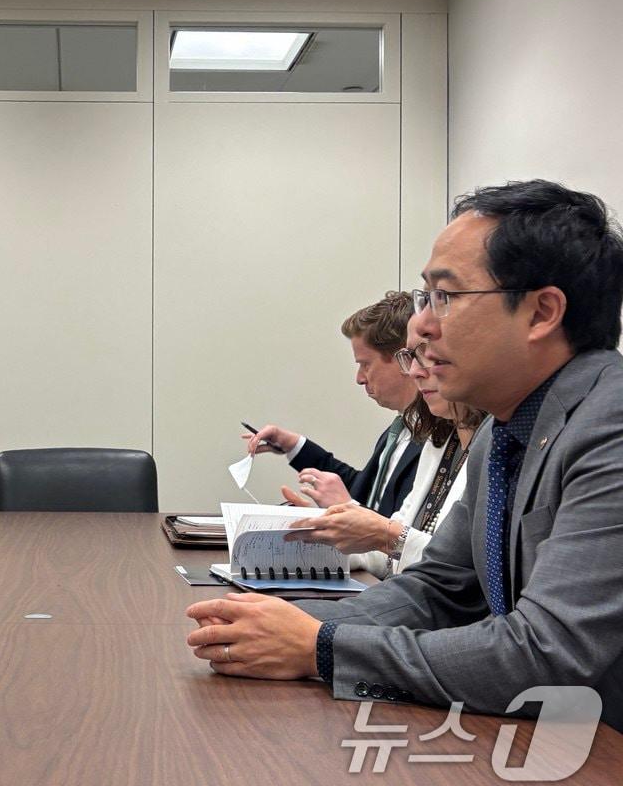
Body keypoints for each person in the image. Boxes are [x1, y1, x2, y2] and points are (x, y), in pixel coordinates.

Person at [187, 179, 623, 731]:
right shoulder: (504, 427)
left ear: (541, 313)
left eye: (447, 296)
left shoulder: (609, 426)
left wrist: (322, 647)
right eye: (426, 297)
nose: (421, 325)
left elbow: (547, 655)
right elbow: (441, 588)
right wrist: (277, 625)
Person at [281, 319, 486, 578]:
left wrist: (382, 533)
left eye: (427, 356)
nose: (414, 371)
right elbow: (389, 555)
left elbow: (460, 570)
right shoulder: (440, 441)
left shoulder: (494, 449)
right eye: (410, 357)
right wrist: (329, 531)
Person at [245, 292, 422, 516]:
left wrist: (345, 509)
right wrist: (294, 445)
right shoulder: (399, 430)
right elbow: (368, 492)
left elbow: (404, 531)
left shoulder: (436, 440)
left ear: (402, 359)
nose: (360, 378)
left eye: (365, 364)